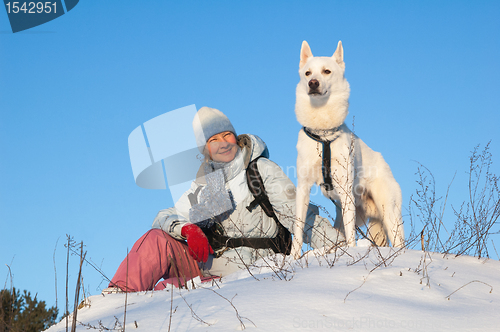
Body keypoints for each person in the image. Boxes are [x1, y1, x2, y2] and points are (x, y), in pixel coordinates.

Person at [104, 107, 344, 293]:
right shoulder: (207, 183)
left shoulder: (260, 169)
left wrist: (344, 253)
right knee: (157, 240)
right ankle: (116, 303)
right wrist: (187, 228)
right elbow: (164, 216)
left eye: (227, 135)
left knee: (166, 293)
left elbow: (299, 216)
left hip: (253, 272)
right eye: (213, 139)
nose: (223, 143)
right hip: (210, 267)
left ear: (236, 137)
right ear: (205, 149)